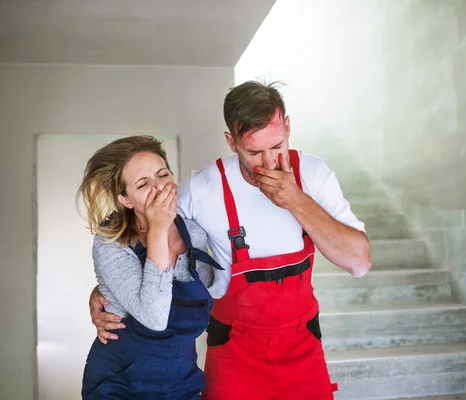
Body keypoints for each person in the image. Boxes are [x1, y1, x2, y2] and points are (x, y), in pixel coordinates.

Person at [90, 81, 372, 400]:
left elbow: (360, 263)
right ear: (231, 141)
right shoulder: (201, 189)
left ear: (289, 127)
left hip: (303, 350)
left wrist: (296, 200)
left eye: (277, 146)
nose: (268, 162)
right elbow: (145, 230)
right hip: (234, 357)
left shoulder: (314, 175)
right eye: (253, 152)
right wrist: (107, 290)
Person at [78, 135, 221, 400]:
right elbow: (155, 318)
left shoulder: (194, 233)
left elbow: (217, 291)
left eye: (163, 174)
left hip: (182, 380)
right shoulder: (110, 243)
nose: (158, 188)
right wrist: (158, 229)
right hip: (121, 383)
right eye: (143, 184)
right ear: (126, 200)